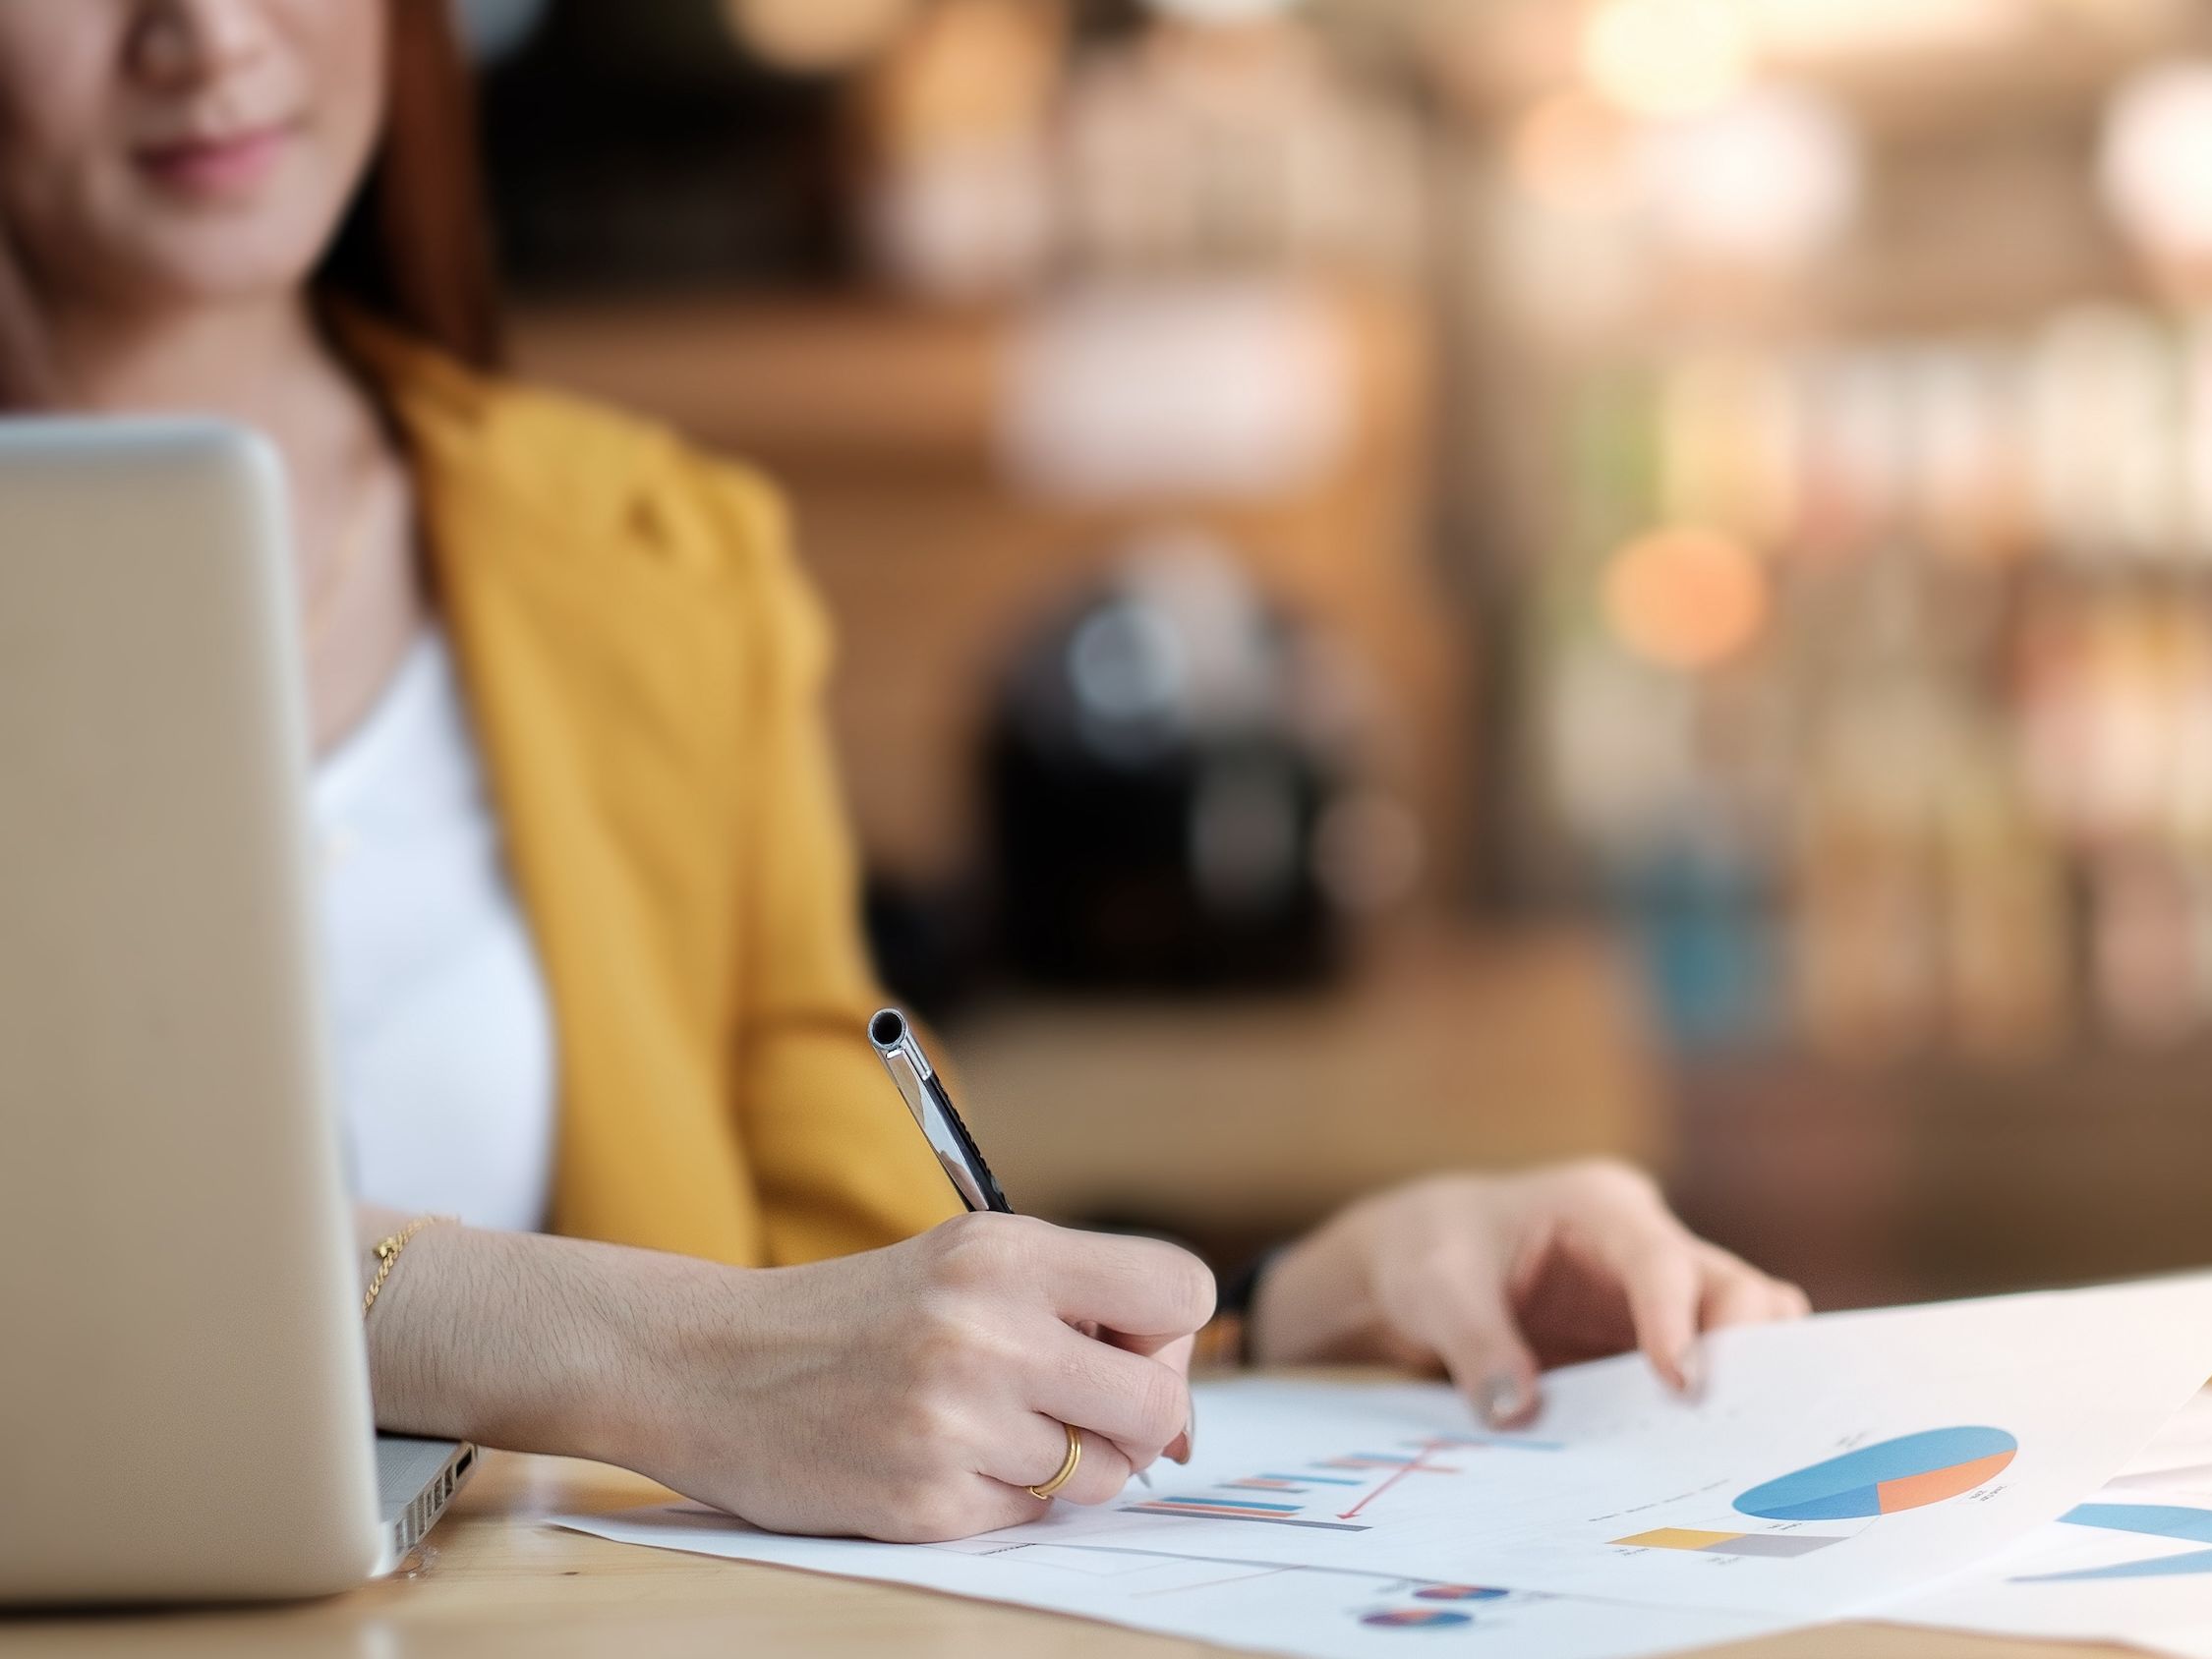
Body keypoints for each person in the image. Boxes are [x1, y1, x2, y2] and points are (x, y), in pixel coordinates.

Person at [0, 0, 1807, 1545]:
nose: (210, 35)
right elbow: (720, 1363)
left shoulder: (652, 559)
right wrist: (578, 1340)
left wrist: (1283, 1325)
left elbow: (844, 1324)